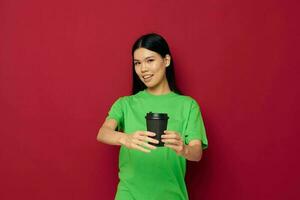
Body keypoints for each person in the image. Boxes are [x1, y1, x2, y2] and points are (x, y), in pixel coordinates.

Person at [97, 33, 208, 200]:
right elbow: (103, 133)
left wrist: (183, 148)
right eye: (137, 63)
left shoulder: (188, 105)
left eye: (150, 60)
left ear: (166, 60)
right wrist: (125, 138)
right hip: (129, 195)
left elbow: (197, 152)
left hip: (171, 195)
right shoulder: (125, 104)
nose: (143, 69)